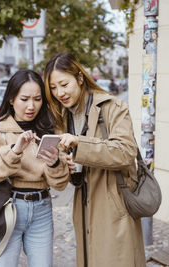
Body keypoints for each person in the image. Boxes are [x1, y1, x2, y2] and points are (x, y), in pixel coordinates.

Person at [43, 52, 146, 267]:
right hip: (84, 206)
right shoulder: (64, 116)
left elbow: (126, 151)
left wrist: (79, 144)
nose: (59, 93)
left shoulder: (112, 107)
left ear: (80, 78)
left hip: (114, 205)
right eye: (53, 88)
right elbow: (70, 169)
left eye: (64, 84)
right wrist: (68, 166)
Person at [0, 70, 70, 267]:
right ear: (11, 99)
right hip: (7, 209)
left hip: (42, 209)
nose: (31, 106)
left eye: (37, 99)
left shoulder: (50, 129)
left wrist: (54, 163)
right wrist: (15, 150)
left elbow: (60, 184)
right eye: (24, 99)